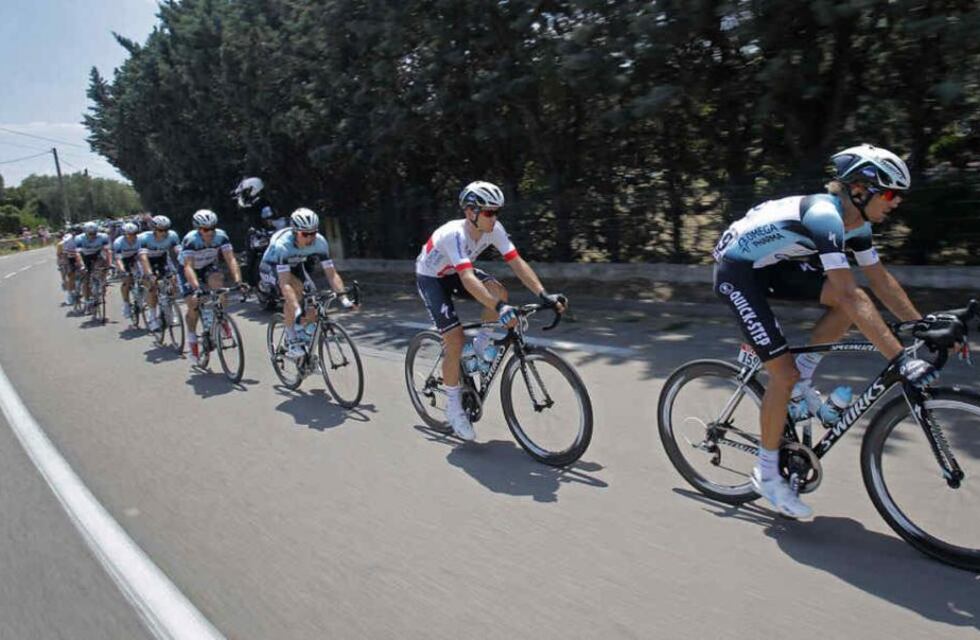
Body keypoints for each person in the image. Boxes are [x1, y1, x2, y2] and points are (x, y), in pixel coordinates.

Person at [712, 143, 937, 518]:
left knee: (847, 300)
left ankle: (803, 383)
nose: (896, 202)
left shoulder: (858, 224)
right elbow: (851, 295)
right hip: (738, 271)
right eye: (891, 193)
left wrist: (922, 326)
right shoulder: (824, 217)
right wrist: (900, 358)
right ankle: (767, 475)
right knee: (781, 374)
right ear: (860, 190)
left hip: (776, 264)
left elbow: (880, 282)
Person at [415, 180, 567, 441]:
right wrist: (498, 308)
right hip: (433, 277)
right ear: (471, 212)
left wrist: (543, 295)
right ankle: (453, 408)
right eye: (488, 212)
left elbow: (517, 263)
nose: (494, 218)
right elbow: (467, 279)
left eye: (497, 212)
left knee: (500, 292)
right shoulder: (454, 234)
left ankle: (481, 347)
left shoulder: (494, 229)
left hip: (458, 271)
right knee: (454, 339)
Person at [261, 208, 355, 359]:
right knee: (295, 289)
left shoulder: (320, 242)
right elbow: (285, 284)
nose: (310, 238)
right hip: (271, 266)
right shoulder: (283, 246)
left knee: (312, 296)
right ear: (295, 232)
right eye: (305, 234)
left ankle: (305, 347)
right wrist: (297, 310)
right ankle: (291, 339)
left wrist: (344, 299)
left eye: (313, 233)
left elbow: (331, 274)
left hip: (295, 265)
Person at [180, 209, 246, 364]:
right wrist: (196, 288)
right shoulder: (191, 240)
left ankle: (221, 319)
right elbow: (188, 267)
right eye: (205, 229)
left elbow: (230, 260)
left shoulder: (221, 236)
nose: (209, 232)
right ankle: (192, 339)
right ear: (198, 229)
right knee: (193, 304)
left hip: (208, 266)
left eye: (212, 228)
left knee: (219, 285)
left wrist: (238, 282)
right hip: (189, 269)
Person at [137, 215, 183, 331]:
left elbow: (179, 253)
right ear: (153, 230)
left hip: (162, 258)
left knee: (172, 282)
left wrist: (184, 267)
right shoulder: (143, 238)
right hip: (147, 260)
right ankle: (152, 317)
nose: (164, 233)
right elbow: (143, 258)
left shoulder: (172, 235)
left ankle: (170, 311)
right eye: (161, 230)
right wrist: (149, 274)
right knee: (152, 287)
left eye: (167, 229)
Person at [73, 221, 112, 305]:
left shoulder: (103, 237)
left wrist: (109, 264)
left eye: (94, 233)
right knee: (86, 277)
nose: (92, 236)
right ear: (85, 232)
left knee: (102, 269)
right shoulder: (79, 238)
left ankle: (102, 284)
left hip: (97, 255)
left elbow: (107, 251)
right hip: (84, 256)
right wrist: (82, 266)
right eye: (90, 234)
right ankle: (87, 300)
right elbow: (78, 254)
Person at [112, 223, 143, 323]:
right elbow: (118, 260)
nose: (132, 236)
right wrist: (123, 271)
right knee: (127, 280)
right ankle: (126, 304)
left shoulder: (140, 240)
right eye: (129, 234)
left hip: (135, 258)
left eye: (134, 234)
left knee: (144, 276)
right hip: (123, 260)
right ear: (124, 234)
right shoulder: (118, 242)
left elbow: (143, 256)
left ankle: (143, 294)